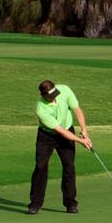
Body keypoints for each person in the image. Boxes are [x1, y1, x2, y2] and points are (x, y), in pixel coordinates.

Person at [28, 77, 93, 213]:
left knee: (69, 166)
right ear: (42, 95)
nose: (53, 98)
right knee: (40, 166)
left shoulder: (65, 90)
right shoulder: (40, 109)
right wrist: (81, 141)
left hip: (67, 129)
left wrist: (84, 131)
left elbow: (77, 110)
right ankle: (35, 203)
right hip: (47, 136)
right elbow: (60, 131)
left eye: (54, 94)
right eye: (49, 96)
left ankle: (70, 203)